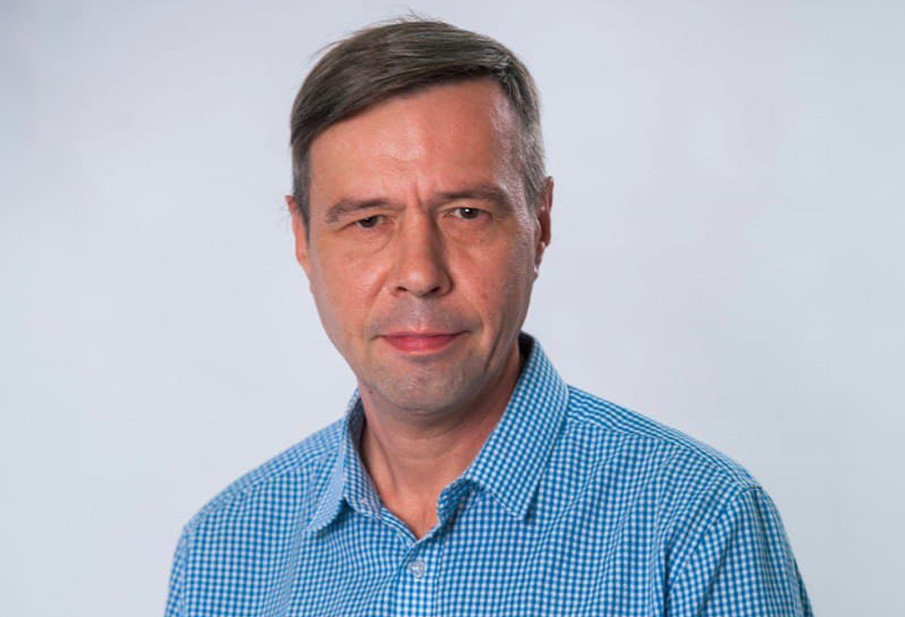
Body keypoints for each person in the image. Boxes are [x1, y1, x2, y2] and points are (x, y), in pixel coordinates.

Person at [164, 18, 813, 616]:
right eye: (369, 221)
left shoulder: (697, 523)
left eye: (466, 213)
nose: (420, 272)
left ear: (540, 223)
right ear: (302, 239)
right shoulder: (223, 552)